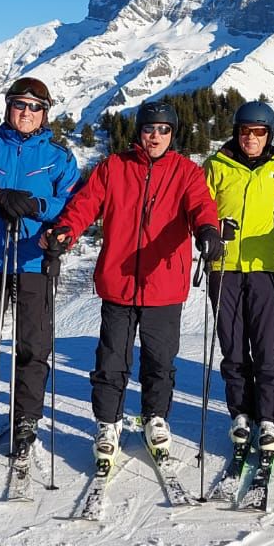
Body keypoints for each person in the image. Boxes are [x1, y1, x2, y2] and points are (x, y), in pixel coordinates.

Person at [42, 99, 220, 467]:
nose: (155, 136)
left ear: (173, 133)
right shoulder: (115, 167)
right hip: (118, 282)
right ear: (139, 132)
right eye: (149, 129)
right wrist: (66, 231)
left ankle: (155, 417)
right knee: (111, 360)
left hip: (164, 284)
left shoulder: (186, 172)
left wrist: (207, 230)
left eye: (163, 130)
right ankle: (108, 423)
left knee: (159, 360)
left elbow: (201, 205)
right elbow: (85, 205)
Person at [0, 76, 80, 461]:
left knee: (32, 347)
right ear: (8, 107)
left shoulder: (58, 158)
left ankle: (26, 419)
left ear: (44, 114)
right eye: (19, 105)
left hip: (32, 260)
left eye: (34, 107)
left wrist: (39, 207)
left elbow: (72, 204)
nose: (26, 112)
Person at [202, 100, 274, 457]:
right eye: (246, 131)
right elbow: (199, 207)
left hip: (263, 266)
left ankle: (270, 419)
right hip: (223, 267)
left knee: (265, 346)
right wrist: (210, 232)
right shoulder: (217, 166)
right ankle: (241, 414)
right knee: (232, 347)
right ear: (236, 132)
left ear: (269, 135)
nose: (251, 138)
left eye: (259, 132)